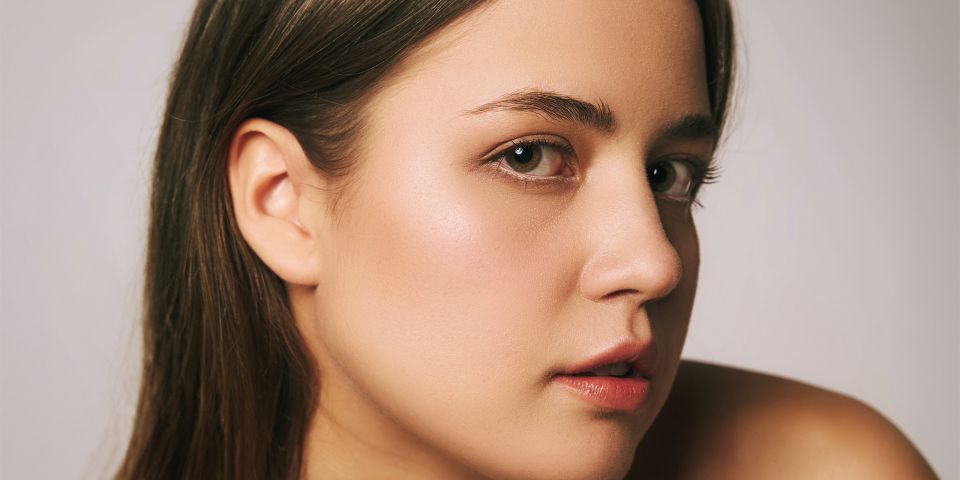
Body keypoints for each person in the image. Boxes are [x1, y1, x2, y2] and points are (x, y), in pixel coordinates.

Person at [116, 0, 937, 478]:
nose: (652, 262)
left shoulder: (817, 466)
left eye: (669, 175)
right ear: (283, 202)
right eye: (529, 156)